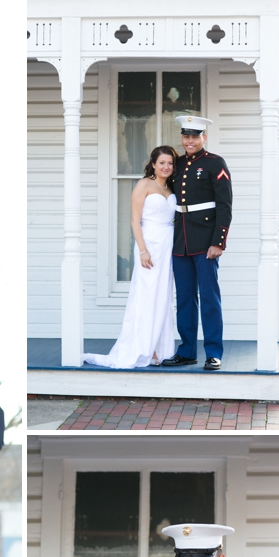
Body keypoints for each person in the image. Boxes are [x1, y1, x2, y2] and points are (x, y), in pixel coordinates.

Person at [84, 146, 178, 369]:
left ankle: (158, 349)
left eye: (170, 163)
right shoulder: (144, 184)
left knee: (163, 296)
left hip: (168, 245)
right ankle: (142, 348)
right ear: (153, 164)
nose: (166, 167)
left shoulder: (172, 187)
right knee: (146, 295)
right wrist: (143, 250)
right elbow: (135, 220)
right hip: (149, 245)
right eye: (162, 162)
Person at [160, 116, 233, 371]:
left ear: (204, 137)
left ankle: (213, 353)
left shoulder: (215, 163)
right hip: (180, 241)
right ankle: (187, 351)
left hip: (206, 241)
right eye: (186, 136)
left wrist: (219, 242)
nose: (189, 141)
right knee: (185, 300)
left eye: (195, 136)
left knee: (210, 298)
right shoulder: (177, 164)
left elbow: (224, 206)